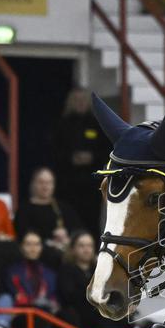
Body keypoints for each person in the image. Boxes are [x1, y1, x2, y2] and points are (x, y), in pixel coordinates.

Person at [50, 88, 112, 235]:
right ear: (70, 102)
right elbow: (53, 151)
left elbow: (107, 150)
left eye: (83, 100)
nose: (80, 103)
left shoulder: (97, 124)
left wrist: (92, 157)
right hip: (67, 182)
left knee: (92, 219)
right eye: (76, 100)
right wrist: (70, 158)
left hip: (91, 183)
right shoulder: (61, 124)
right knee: (68, 218)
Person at [13, 167, 81, 268]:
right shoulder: (24, 209)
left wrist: (67, 235)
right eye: (41, 182)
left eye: (49, 183)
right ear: (34, 184)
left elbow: (78, 229)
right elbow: (23, 233)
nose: (45, 186)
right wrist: (49, 241)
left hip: (63, 248)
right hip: (40, 251)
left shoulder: (63, 207)